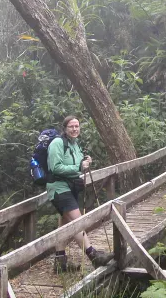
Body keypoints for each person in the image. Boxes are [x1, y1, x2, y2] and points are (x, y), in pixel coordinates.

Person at [47, 115, 113, 273]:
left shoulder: (75, 145)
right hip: (59, 188)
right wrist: (79, 166)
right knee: (77, 223)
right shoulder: (57, 143)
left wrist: (85, 162)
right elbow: (55, 167)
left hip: (70, 188)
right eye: (71, 126)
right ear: (65, 128)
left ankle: (60, 262)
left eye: (77, 126)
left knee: (66, 224)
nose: (75, 129)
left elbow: (78, 164)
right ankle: (93, 256)